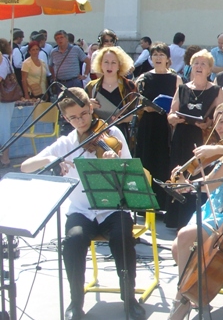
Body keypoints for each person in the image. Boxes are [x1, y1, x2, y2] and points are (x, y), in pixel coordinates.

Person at [20, 88, 146, 320]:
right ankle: (76, 302)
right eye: (73, 118)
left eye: (84, 114)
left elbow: (131, 171)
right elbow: (25, 166)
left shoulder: (112, 133)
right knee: (73, 241)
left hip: (113, 208)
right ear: (65, 118)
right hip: (81, 211)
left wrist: (116, 163)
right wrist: (51, 158)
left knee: (122, 238)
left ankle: (129, 298)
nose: (81, 121)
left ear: (90, 107)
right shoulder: (66, 143)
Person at [169, 102, 223, 318]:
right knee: (177, 248)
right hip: (213, 208)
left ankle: (181, 299)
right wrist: (187, 177)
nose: (218, 127)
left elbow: (210, 184)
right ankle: (196, 294)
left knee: (185, 237)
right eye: (216, 122)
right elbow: (207, 182)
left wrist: (187, 184)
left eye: (222, 121)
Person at [166, 49, 223, 228]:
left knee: (196, 176)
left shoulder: (216, 90)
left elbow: (222, 116)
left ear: (209, 69)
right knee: (179, 174)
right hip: (182, 137)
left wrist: (209, 123)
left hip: (201, 139)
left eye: (203, 64)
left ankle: (193, 221)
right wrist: (174, 118)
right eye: (196, 63)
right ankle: (176, 219)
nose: (199, 67)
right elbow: (171, 113)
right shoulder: (182, 88)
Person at [135, 42, 182, 209]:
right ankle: (144, 205)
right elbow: (136, 102)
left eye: (161, 54)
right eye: (155, 54)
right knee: (146, 161)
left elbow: (180, 103)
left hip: (166, 125)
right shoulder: (143, 78)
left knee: (164, 161)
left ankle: (163, 203)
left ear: (168, 58)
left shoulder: (175, 78)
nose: (158, 58)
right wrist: (145, 107)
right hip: (148, 124)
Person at [84, 46, 138, 141]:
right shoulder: (91, 86)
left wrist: (123, 119)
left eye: (113, 62)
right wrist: (88, 105)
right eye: (106, 62)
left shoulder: (129, 86)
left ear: (119, 65)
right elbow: (81, 112)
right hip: (96, 136)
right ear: (100, 64)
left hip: (122, 135)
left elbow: (138, 113)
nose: (109, 66)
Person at [50, 29, 90, 93]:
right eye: (57, 38)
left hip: (74, 82)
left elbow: (88, 61)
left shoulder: (76, 49)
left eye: (61, 37)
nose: (59, 40)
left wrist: (85, 75)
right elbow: (50, 66)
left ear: (66, 39)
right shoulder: (53, 52)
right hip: (60, 83)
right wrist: (54, 77)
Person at [0, 39, 15, 166]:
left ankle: (5, 158)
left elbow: (1, 77)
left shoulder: (3, 60)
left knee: (4, 127)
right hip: (5, 99)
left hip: (4, 99)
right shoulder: (5, 59)